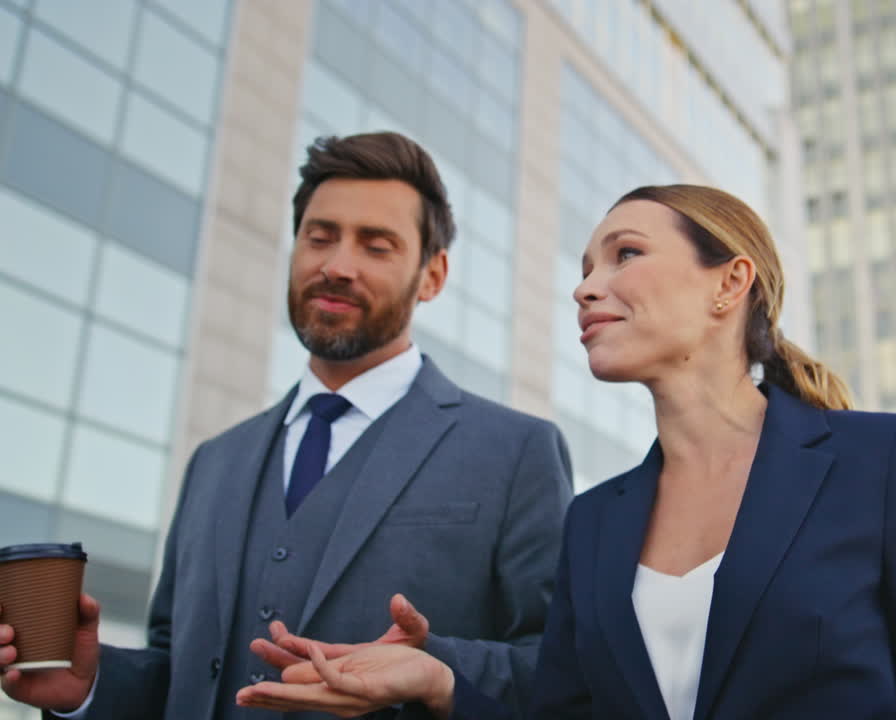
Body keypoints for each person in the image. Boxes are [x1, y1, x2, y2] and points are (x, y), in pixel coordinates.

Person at [235, 184, 896, 719]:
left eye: (625, 254)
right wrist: (439, 683)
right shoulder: (598, 522)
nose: (586, 285)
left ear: (728, 282)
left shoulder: (879, 459)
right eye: (587, 265)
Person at [0, 132, 573, 720]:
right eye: (318, 237)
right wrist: (91, 685)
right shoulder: (215, 460)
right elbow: (180, 668)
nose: (336, 266)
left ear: (432, 275)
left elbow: (562, 673)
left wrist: (436, 675)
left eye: (376, 246)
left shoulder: (517, 453)